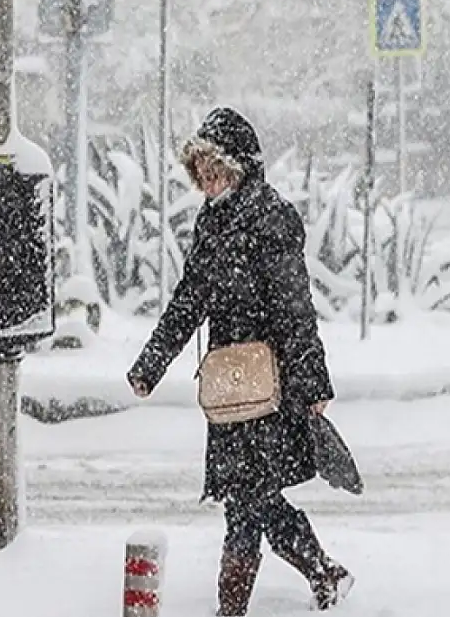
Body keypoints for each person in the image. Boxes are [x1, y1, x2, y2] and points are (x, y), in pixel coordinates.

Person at [126, 107, 356, 616]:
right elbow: (190, 299)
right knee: (250, 500)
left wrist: (313, 383)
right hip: (231, 385)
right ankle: (325, 573)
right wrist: (151, 364)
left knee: (246, 505)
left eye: (215, 172)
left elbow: (295, 307)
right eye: (200, 174)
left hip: (270, 383)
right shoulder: (212, 223)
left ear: (240, 167)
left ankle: (233, 610)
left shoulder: (270, 219)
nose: (206, 183)